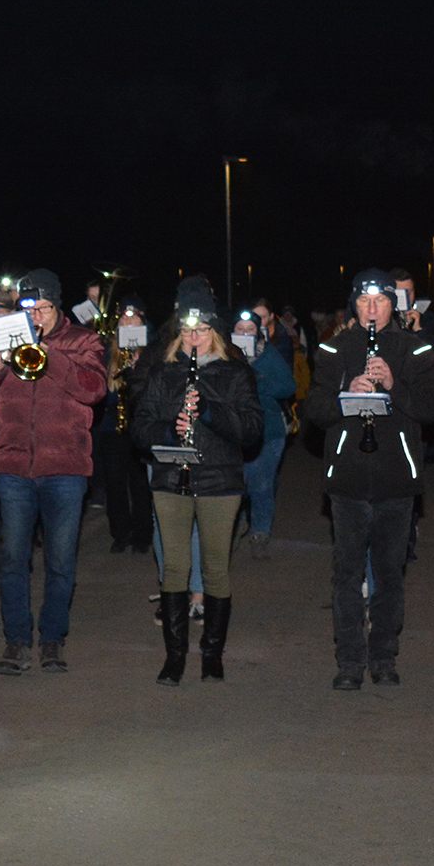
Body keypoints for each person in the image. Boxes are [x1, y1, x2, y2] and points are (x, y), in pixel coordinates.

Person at [303, 268, 434, 690]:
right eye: (363, 301)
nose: (371, 308)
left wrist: (392, 384)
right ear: (354, 304)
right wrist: (350, 391)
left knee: (388, 574)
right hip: (347, 480)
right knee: (346, 574)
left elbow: (432, 408)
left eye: (380, 301)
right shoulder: (333, 348)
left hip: (395, 480)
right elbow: (317, 409)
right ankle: (349, 661)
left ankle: (383, 656)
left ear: (392, 304)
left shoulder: (415, 350)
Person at [0, 267, 106, 675]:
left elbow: (94, 390)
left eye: (43, 308)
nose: (37, 316)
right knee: (13, 560)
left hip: (65, 467)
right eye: (29, 308)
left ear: (57, 306)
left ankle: (52, 638)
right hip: (12, 467)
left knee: (61, 561)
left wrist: (51, 355)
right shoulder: (1, 338)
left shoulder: (84, 340)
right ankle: (16, 640)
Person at [131, 285, 262, 684]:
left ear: (215, 333)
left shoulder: (235, 373)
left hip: (220, 479)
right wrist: (171, 429)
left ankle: (212, 654)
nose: (194, 338)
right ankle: (175, 657)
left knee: (215, 568)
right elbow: (140, 429)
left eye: (202, 330)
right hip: (172, 477)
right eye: (188, 331)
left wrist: (209, 413)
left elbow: (252, 430)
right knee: (174, 567)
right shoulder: (163, 373)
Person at [231, 309, 296, 559]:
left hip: (268, 431)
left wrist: (257, 380)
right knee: (235, 482)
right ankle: (236, 524)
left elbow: (288, 386)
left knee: (261, 483)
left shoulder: (268, 355)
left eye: (250, 330)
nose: (245, 333)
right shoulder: (225, 356)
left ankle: (260, 530)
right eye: (240, 329)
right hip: (234, 430)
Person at [96, 299, 153, 554]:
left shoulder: (152, 352)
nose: (128, 323)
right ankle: (121, 533)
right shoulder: (109, 351)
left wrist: (138, 369)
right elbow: (102, 394)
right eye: (123, 320)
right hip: (113, 427)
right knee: (115, 484)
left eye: (134, 319)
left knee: (141, 484)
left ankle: (143, 534)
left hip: (140, 425)